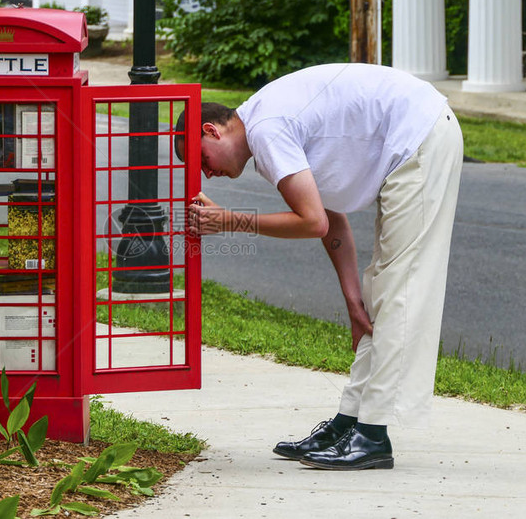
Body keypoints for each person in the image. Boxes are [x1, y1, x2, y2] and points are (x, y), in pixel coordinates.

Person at [175, 63, 463, 470]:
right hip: (416, 138)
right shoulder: (266, 128)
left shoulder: (267, 129)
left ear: (212, 130)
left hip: (421, 137)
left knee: (398, 288)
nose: (208, 174)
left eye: (202, 160)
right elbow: (333, 219)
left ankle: (373, 436)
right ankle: (350, 422)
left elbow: (313, 222)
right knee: (379, 292)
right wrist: (352, 301)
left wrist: (230, 221)